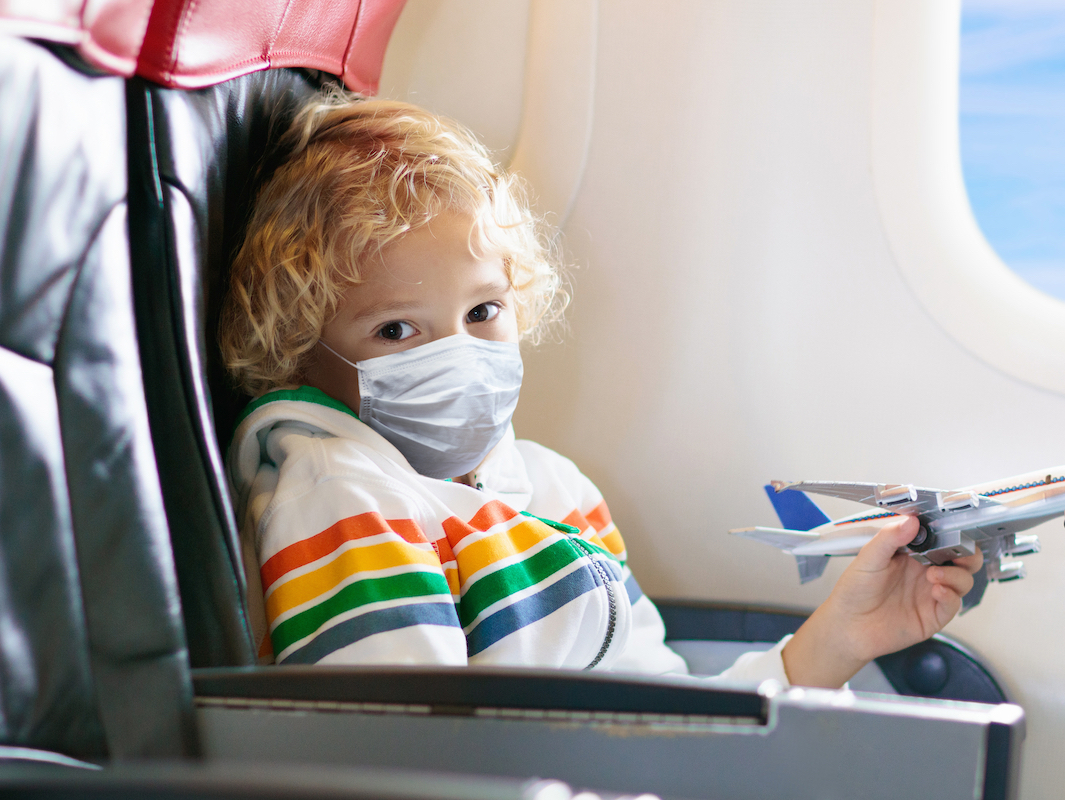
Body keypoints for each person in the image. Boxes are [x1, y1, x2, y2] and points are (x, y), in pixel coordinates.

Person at [219, 93, 982, 687]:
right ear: (296, 350)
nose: (459, 356)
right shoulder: (340, 495)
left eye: (483, 312)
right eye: (396, 330)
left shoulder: (554, 489)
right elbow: (396, 753)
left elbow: (658, 710)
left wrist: (843, 638)